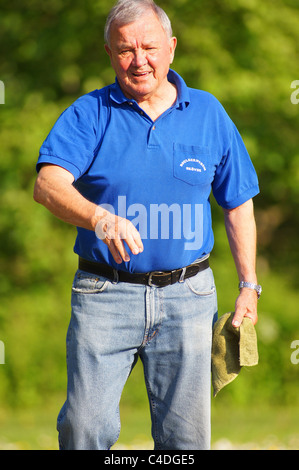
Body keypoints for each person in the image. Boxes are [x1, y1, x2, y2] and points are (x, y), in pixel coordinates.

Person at [33, 0, 261, 450]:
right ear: (109, 53)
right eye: (125, 50)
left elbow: (238, 204)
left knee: (186, 440)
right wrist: (98, 217)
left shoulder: (209, 113)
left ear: (172, 49)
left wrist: (249, 285)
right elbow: (47, 185)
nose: (139, 60)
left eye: (149, 47)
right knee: (83, 428)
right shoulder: (90, 112)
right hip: (104, 294)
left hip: (190, 297)